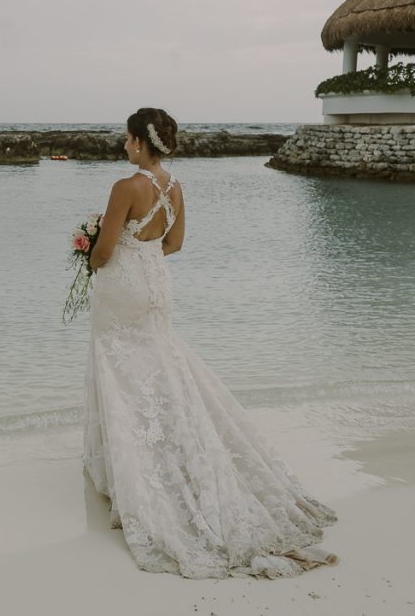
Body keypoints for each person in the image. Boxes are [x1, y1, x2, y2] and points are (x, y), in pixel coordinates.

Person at [82, 107, 339, 579]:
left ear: (141, 141)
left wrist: (88, 252)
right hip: (157, 285)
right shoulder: (173, 186)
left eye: (127, 137)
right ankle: (172, 448)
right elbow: (175, 243)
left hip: (123, 288)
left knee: (119, 370)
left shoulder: (125, 187)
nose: (124, 144)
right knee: (161, 362)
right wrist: (143, 252)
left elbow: (104, 250)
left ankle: (129, 468)